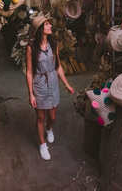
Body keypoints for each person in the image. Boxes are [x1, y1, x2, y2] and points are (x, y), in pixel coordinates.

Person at [26, 16, 75, 160]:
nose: (50, 26)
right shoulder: (31, 47)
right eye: (47, 24)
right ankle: (42, 145)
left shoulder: (53, 44)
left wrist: (67, 84)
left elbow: (58, 66)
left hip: (53, 81)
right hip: (39, 83)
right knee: (41, 117)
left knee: (52, 117)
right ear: (40, 29)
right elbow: (29, 72)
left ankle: (49, 129)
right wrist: (31, 94)